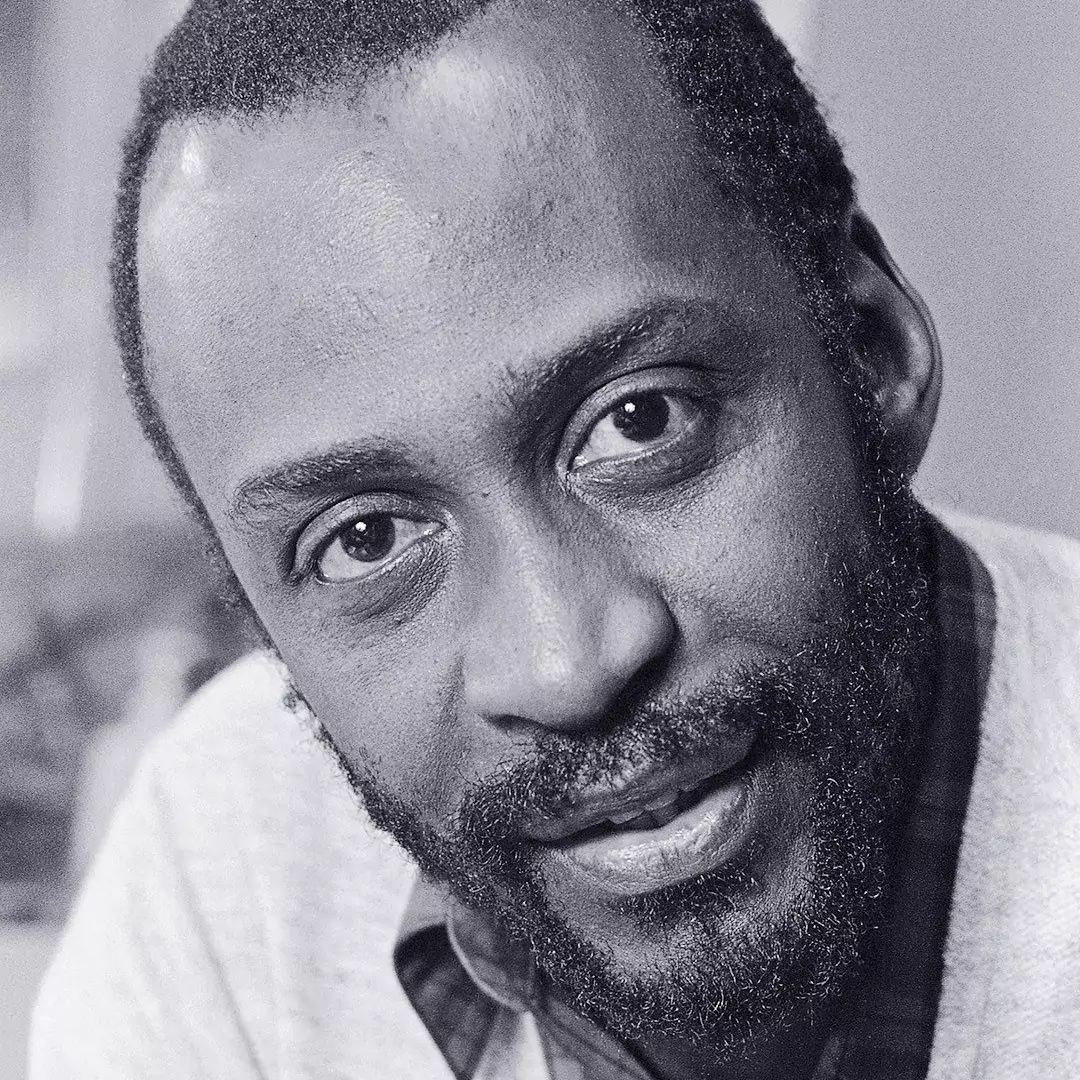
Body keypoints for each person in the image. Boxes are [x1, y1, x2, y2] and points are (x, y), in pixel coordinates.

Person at [30, 0, 1080, 1077]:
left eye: (640, 421)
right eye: (366, 538)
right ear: (262, 623)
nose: (566, 664)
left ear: (873, 352)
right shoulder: (229, 862)